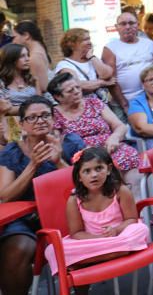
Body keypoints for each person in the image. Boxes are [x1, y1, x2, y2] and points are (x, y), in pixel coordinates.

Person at [0, 96, 86, 295]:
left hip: (66, 213)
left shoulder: (70, 143)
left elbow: (86, 185)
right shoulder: (12, 151)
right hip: (25, 218)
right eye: (32, 118)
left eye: (45, 115)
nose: (39, 121)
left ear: (54, 119)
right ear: (22, 124)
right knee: (17, 250)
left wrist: (58, 162)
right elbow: (5, 197)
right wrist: (32, 166)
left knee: (79, 240)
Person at [43, 146, 150, 277]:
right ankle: (111, 253)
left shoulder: (120, 191)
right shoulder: (74, 200)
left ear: (109, 169)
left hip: (118, 236)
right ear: (79, 177)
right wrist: (99, 238)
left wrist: (116, 230)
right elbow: (76, 233)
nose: (94, 175)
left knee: (140, 229)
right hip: (92, 241)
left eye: (99, 169)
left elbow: (132, 219)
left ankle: (85, 260)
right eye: (87, 171)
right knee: (52, 250)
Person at [47, 72, 142, 194]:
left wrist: (114, 137)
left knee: (130, 160)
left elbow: (119, 126)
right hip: (86, 156)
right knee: (104, 168)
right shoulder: (55, 115)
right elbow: (58, 143)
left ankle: (136, 204)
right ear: (58, 97)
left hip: (111, 147)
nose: (76, 91)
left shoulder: (93, 103)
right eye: (70, 91)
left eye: (77, 87)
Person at [54, 28, 123, 111]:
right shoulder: (64, 65)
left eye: (89, 39)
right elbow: (78, 85)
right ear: (72, 44)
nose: (89, 42)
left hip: (103, 108)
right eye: (85, 40)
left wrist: (92, 57)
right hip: (83, 111)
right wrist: (102, 82)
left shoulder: (92, 60)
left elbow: (107, 74)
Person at [102, 12, 153, 104]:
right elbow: (111, 81)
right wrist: (124, 104)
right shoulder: (110, 48)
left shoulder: (149, 44)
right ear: (116, 27)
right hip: (124, 102)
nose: (128, 27)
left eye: (131, 23)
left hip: (151, 99)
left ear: (138, 25)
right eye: (123, 24)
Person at [0, 43, 46, 142]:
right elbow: (7, 109)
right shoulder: (2, 82)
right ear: (11, 59)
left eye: (27, 55)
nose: (27, 59)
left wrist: (20, 108)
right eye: (22, 56)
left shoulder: (32, 79)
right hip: (13, 125)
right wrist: (32, 107)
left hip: (35, 122)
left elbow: (41, 103)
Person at [11, 21, 51, 91]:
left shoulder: (34, 57)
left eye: (15, 37)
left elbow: (43, 88)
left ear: (26, 35)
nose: (13, 41)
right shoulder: (39, 49)